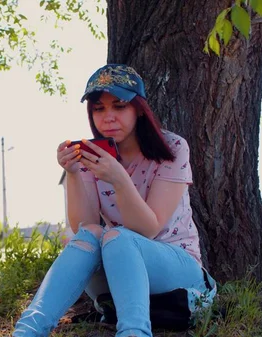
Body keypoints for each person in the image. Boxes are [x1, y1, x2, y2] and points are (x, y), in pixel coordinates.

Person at [12, 64, 216, 337]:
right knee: (93, 234)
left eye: (119, 106)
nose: (108, 117)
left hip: (176, 269)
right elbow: (84, 224)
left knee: (118, 236)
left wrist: (119, 179)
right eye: (99, 109)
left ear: (139, 109)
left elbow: (149, 228)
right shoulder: (93, 155)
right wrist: (73, 173)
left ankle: (134, 332)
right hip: (118, 264)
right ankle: (27, 331)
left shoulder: (173, 148)